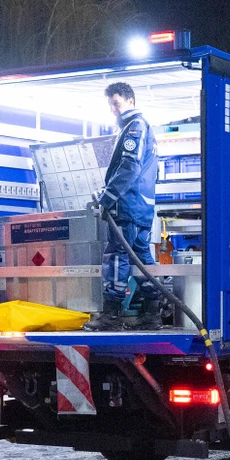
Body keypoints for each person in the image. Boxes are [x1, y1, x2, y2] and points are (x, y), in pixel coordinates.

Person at [84, 82, 161, 331]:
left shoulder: (134, 127)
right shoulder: (142, 128)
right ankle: (152, 312)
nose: (113, 109)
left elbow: (129, 167)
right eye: (110, 105)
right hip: (142, 207)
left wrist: (107, 198)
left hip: (127, 207)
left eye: (115, 103)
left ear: (130, 100)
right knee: (143, 259)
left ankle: (112, 316)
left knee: (117, 257)